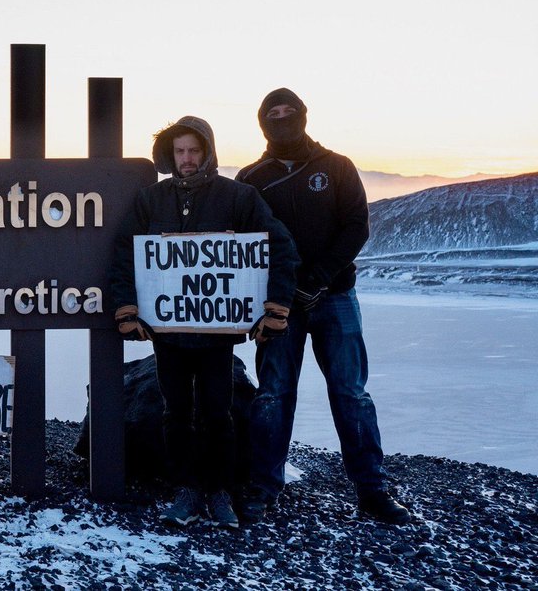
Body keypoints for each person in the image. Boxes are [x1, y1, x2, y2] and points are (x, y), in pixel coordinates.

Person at [110, 115, 298, 529]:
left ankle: (219, 491)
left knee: (219, 413)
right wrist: (126, 309)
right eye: (179, 151)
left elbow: (280, 246)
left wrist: (275, 307)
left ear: (208, 152)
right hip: (169, 334)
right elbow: (124, 253)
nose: (187, 158)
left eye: (194, 150)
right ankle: (186, 488)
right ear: (170, 154)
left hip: (216, 336)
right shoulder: (150, 200)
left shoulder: (238, 197)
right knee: (174, 413)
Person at [236, 88, 411, 525]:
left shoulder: (337, 167)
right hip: (278, 304)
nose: (281, 119)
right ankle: (263, 486)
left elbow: (356, 226)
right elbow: (240, 242)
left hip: (335, 297)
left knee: (351, 393)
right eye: (272, 114)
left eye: (288, 111)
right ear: (262, 122)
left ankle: (372, 489)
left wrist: (318, 279)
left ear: (304, 116)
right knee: (273, 393)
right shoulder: (251, 178)